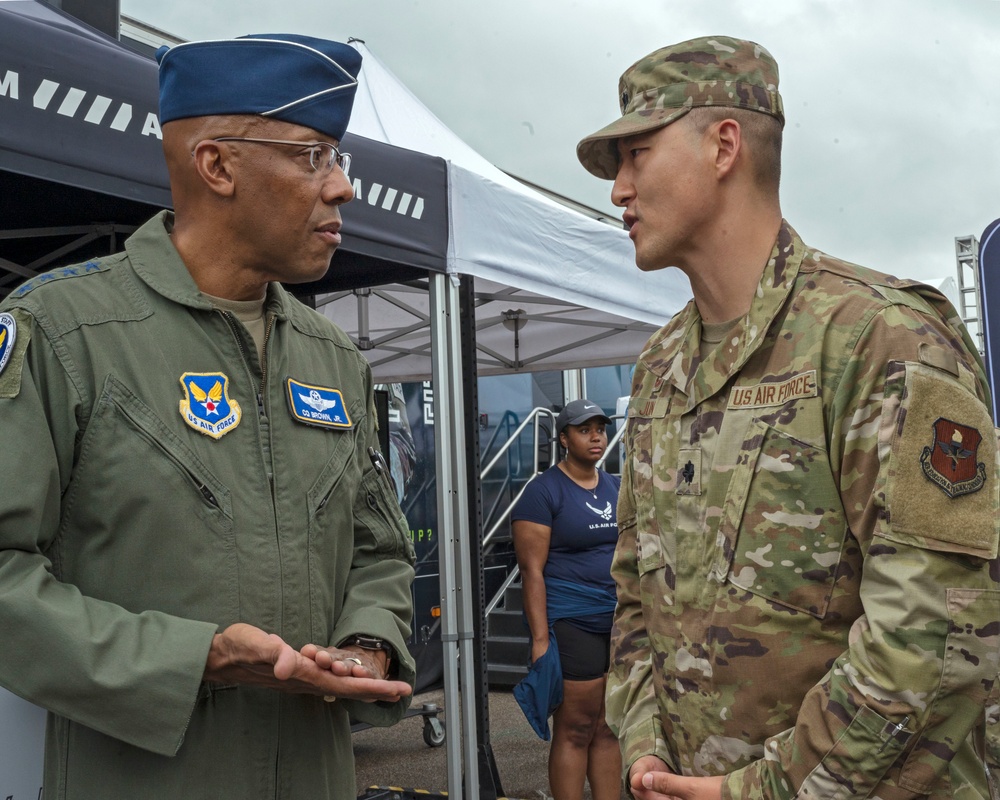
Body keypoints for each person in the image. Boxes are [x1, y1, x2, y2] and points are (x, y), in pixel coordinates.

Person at [575, 36, 1000, 800]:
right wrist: (643, 747)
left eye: (636, 155)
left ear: (724, 145)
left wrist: (764, 790)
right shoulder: (662, 365)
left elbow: (938, 637)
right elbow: (636, 588)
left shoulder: (882, 339)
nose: (619, 191)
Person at [0, 34, 416, 798]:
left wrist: (367, 646)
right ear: (217, 165)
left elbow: (380, 550)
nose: (344, 188)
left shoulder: (333, 358)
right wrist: (194, 658)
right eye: (314, 156)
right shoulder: (64, 333)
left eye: (340, 158)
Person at [511, 398, 623, 800]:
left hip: (615, 619)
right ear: (563, 438)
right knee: (577, 726)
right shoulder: (542, 492)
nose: (596, 437)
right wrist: (541, 640)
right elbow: (531, 571)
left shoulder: (616, 486)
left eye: (600, 428)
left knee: (609, 726)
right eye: (584, 429)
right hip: (571, 619)